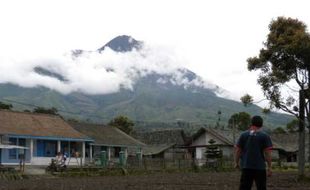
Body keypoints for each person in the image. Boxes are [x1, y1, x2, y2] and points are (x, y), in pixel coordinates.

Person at [234, 115, 272, 190]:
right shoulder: (265, 136)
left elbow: (238, 150)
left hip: (246, 166)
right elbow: (268, 153)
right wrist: (269, 167)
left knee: (244, 187)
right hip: (260, 167)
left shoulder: (243, 135)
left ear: (251, 123)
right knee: (261, 187)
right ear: (261, 124)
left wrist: (236, 162)